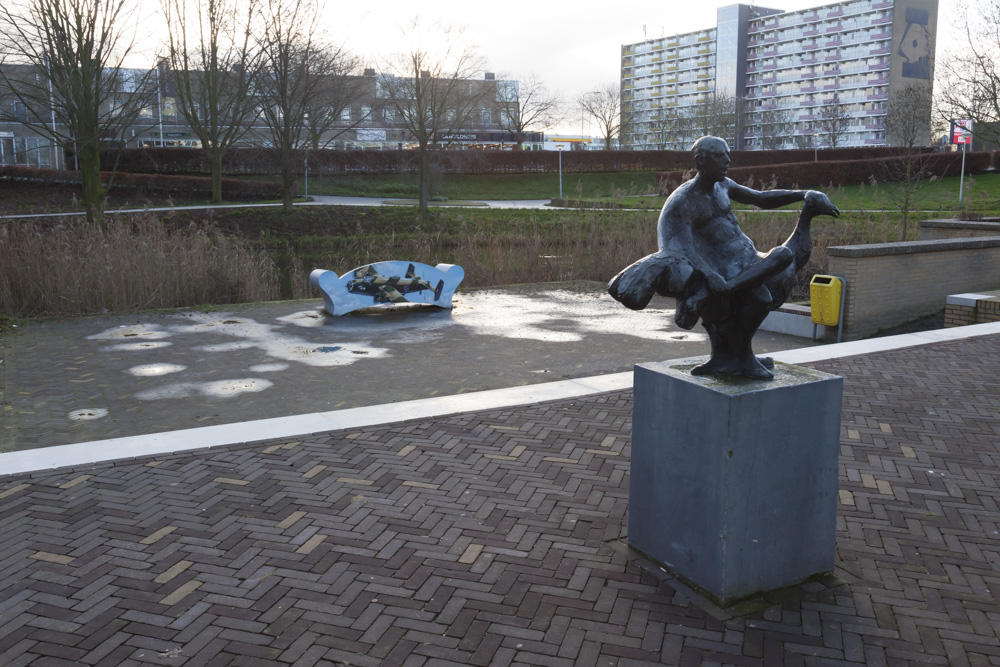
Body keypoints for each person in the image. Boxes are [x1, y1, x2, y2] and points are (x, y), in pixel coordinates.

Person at [608, 136, 839, 379]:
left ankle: (740, 353)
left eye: (728, 154)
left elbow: (761, 199)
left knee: (784, 266)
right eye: (720, 156)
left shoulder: (723, 185)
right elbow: (677, 248)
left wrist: (803, 194)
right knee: (779, 259)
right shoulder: (681, 201)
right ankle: (734, 354)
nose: (728, 160)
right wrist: (710, 275)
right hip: (718, 269)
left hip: (746, 261)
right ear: (700, 161)